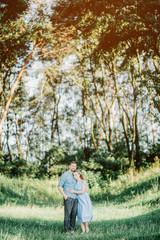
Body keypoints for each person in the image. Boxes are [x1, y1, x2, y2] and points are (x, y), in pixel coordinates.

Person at [69, 169, 93, 234]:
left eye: (76, 174)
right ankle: (83, 230)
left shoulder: (83, 182)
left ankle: (87, 229)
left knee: (83, 214)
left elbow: (82, 191)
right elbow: (72, 190)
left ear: (79, 175)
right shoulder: (75, 183)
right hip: (78, 200)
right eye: (73, 175)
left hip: (84, 199)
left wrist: (73, 191)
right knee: (79, 215)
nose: (74, 176)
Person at [58, 161, 78, 234]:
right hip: (68, 197)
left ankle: (72, 230)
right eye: (72, 166)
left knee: (74, 214)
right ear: (69, 166)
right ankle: (66, 231)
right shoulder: (65, 175)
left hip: (76, 198)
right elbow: (59, 186)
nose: (74, 167)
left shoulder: (76, 175)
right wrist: (64, 195)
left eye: (75, 166)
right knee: (67, 215)